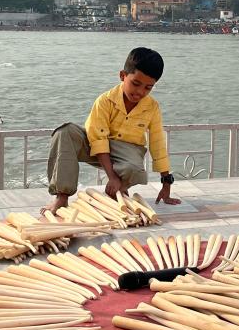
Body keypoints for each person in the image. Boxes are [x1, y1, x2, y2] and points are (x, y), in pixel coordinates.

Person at [42, 46, 180, 213]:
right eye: (135, 84)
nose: (139, 92)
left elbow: (157, 144)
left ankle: (119, 190)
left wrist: (166, 183)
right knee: (65, 132)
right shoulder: (104, 101)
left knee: (135, 170)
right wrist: (112, 176)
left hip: (127, 151)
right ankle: (61, 197)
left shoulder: (152, 107)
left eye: (147, 88)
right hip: (96, 145)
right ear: (122, 76)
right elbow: (98, 140)